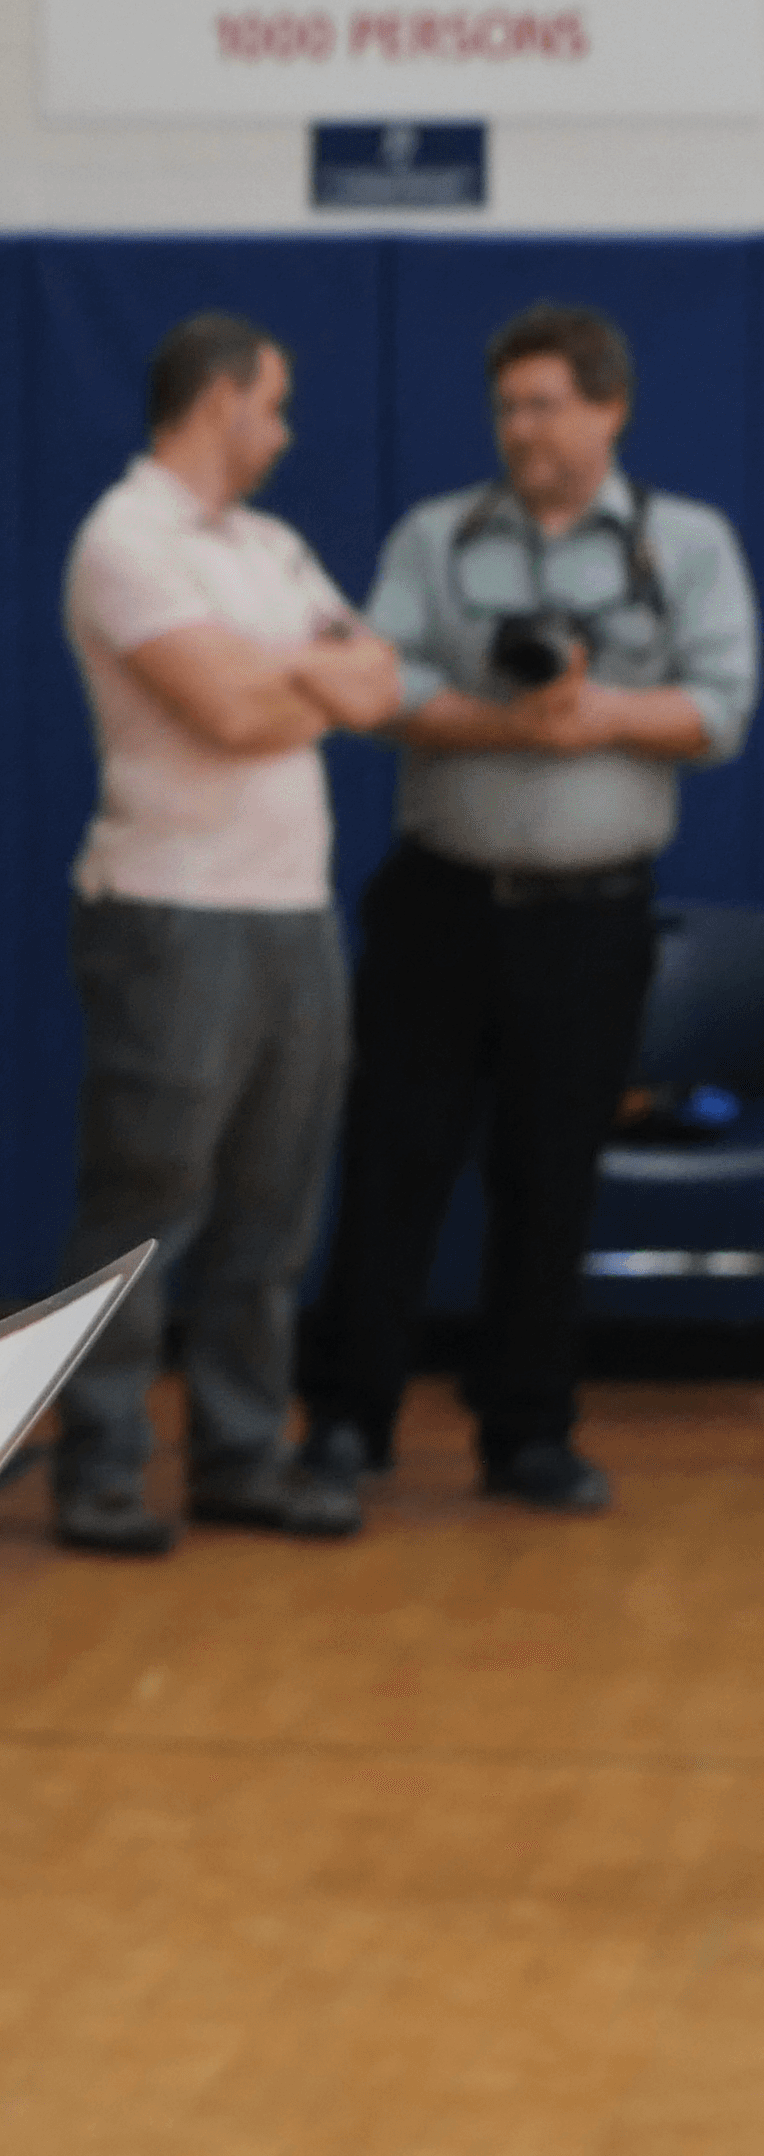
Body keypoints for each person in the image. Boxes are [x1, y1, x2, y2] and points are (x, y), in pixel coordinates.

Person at [302, 303, 757, 1515]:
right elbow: (378, 683)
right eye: (507, 407)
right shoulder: (437, 535)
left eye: (545, 405)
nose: (521, 429)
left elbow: (721, 708)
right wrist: (503, 721)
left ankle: (529, 1431)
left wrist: (601, 712)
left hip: (592, 922)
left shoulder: (687, 544)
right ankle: (347, 1422)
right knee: (392, 1163)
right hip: (438, 909)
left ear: (611, 408)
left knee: (552, 1176)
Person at [45, 312, 405, 1556]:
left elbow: (381, 682)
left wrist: (282, 674)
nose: (285, 432)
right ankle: (100, 1467)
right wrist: (307, 676)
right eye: (274, 404)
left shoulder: (271, 545)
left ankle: (242, 1455)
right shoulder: (123, 538)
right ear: (218, 401)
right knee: (145, 1202)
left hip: (294, 913)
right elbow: (228, 713)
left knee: (274, 1209)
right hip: (171, 914)